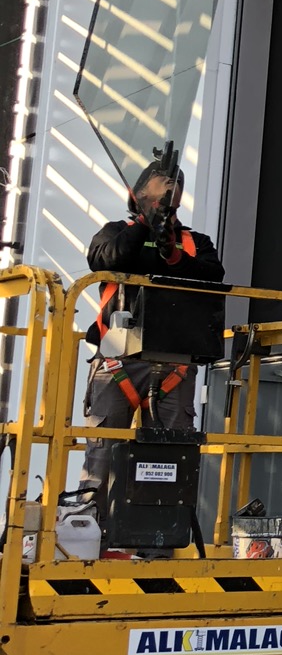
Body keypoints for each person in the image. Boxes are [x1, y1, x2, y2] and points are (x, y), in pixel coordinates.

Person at [78, 145, 224, 503]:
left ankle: (157, 538)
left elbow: (211, 276)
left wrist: (171, 253)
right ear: (137, 192)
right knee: (103, 451)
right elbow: (105, 258)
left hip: (175, 361)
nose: (172, 183)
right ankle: (88, 528)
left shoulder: (195, 243)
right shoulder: (116, 232)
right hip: (118, 362)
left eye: (177, 181)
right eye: (163, 179)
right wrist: (146, 222)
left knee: (169, 456)